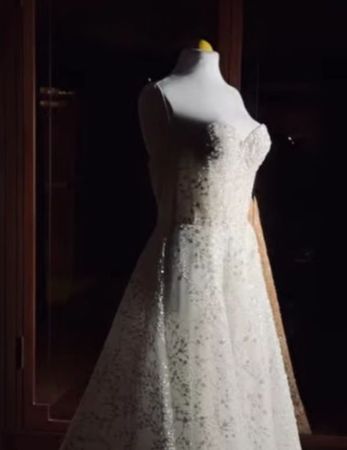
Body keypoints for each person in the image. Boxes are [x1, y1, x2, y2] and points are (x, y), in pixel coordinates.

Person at [61, 43, 302, 449]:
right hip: (190, 259)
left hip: (240, 262)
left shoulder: (232, 95)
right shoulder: (159, 96)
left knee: (239, 384)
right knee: (188, 379)